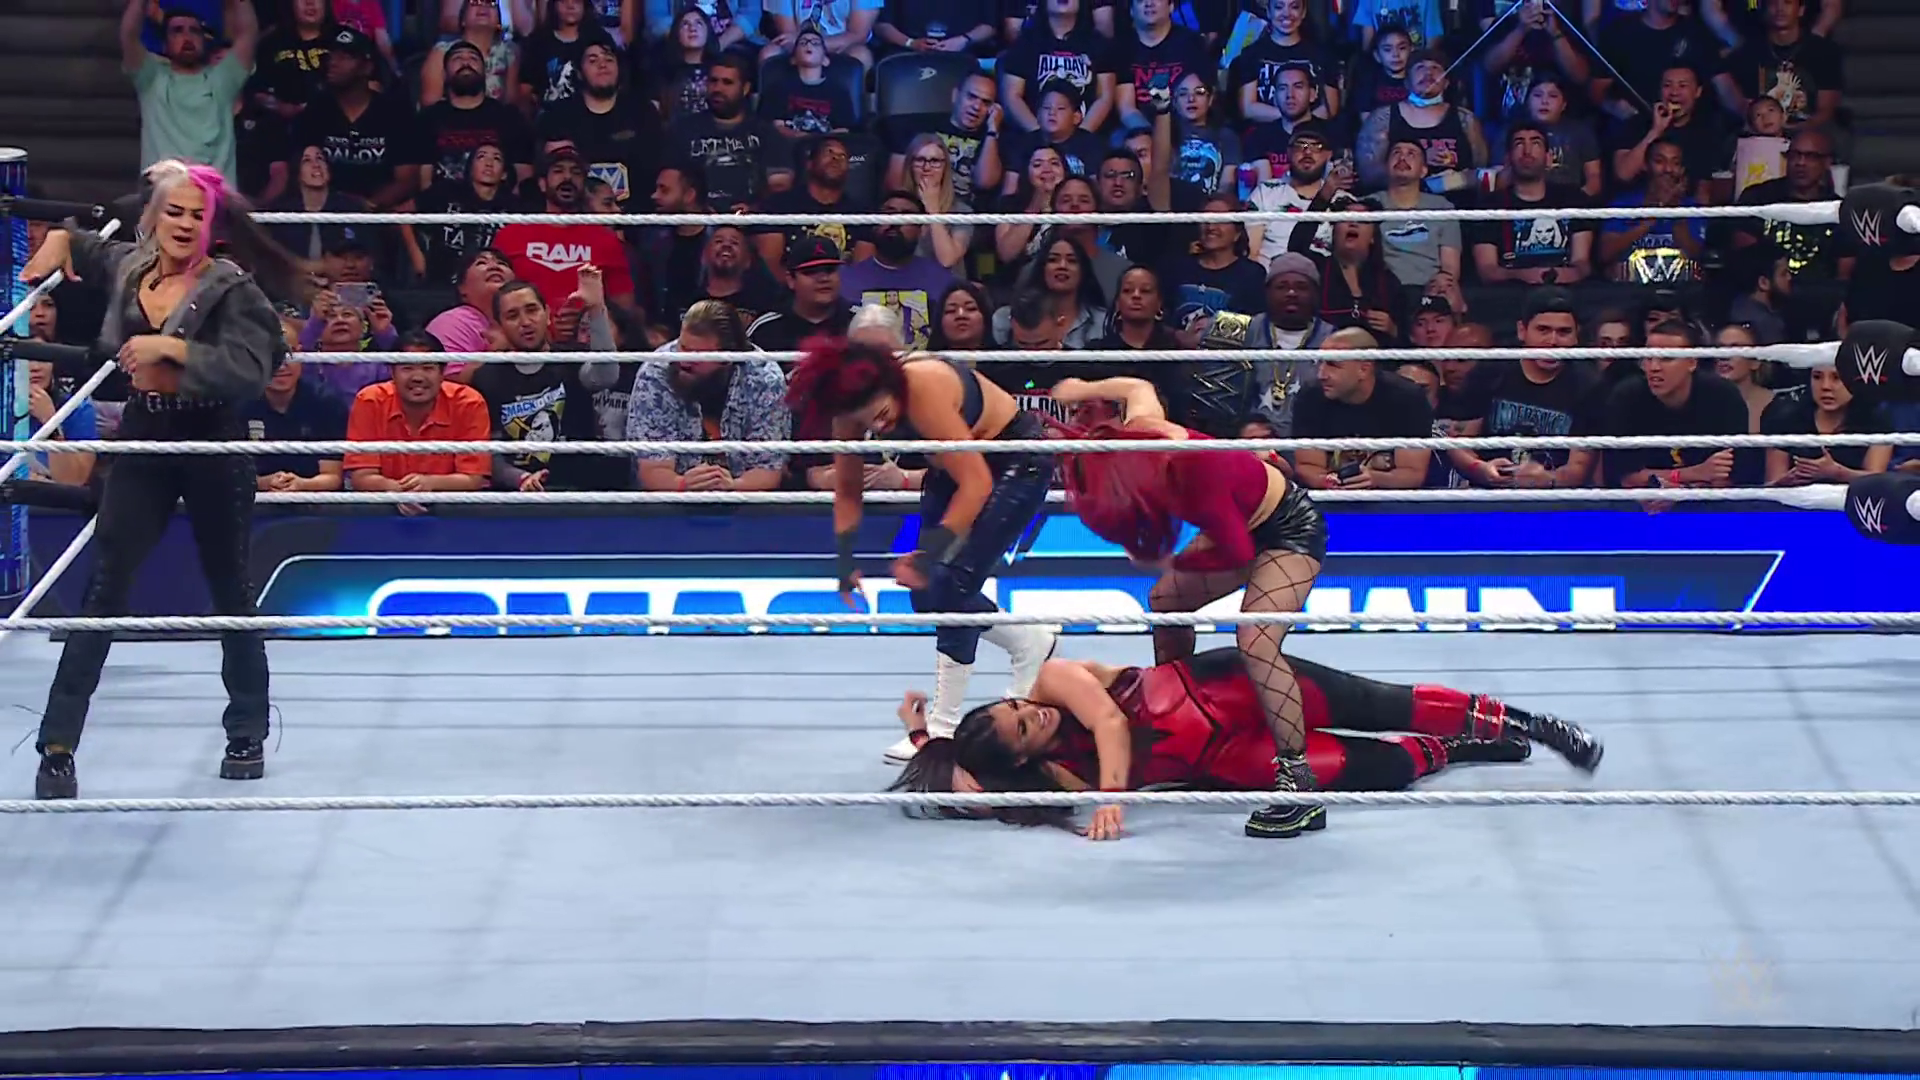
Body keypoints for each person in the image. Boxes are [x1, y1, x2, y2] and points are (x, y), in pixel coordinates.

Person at [17, 160, 309, 801]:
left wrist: (174, 351)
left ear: (212, 226)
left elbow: (254, 367)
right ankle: (57, 747)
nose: (184, 223)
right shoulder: (133, 266)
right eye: (173, 211)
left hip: (213, 437)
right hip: (146, 435)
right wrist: (61, 240)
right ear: (153, 218)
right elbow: (91, 247)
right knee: (104, 587)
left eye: (196, 215)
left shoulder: (230, 288)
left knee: (230, 590)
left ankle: (247, 732)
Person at [889, 646, 1606, 836]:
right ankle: (1465, 750)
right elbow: (977, 791)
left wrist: (1112, 799)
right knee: (1377, 766)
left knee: (1379, 702)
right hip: (1231, 759)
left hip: (1234, 687)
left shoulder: (1054, 679)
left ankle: (1533, 725)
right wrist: (926, 741)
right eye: (1023, 729)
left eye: (1017, 708)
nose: (1033, 714)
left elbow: (1109, 723)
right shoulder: (1056, 777)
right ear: (1022, 758)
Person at [1045, 375, 1329, 839]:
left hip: (1288, 529)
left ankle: (1298, 781)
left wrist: (1169, 559)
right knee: (1166, 601)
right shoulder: (1143, 433)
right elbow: (1138, 386)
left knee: (1256, 637)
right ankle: (1180, 714)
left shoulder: (1196, 472)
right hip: (1236, 519)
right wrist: (1081, 388)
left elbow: (1237, 552)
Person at [786, 325, 1059, 763]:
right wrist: (844, 561)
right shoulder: (848, 413)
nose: (879, 426)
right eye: (868, 422)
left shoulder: (923, 385)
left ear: (889, 383)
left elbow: (977, 483)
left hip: (1014, 459)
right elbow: (848, 490)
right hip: (955, 466)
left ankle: (943, 728)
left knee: (949, 583)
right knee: (927, 593)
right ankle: (1028, 641)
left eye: (881, 414)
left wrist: (930, 553)